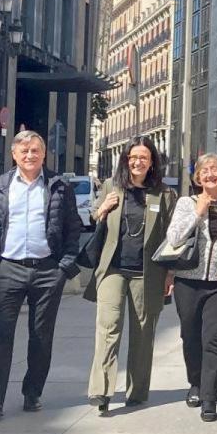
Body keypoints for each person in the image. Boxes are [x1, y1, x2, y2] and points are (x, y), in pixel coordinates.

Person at [0, 131, 82, 419]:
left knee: (41, 336)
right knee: (2, 335)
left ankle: (32, 392)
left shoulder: (59, 186)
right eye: (24, 151)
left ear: (44, 154)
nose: (30, 155)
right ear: (14, 155)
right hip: (7, 269)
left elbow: (73, 229)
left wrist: (64, 268)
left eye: (35, 150)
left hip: (47, 271)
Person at [87, 136, 177, 415]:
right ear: (126, 161)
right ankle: (100, 391)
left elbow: (173, 237)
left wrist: (170, 274)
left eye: (144, 158)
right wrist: (101, 210)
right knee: (108, 328)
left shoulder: (164, 194)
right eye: (133, 158)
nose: (138, 162)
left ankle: (137, 391)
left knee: (142, 333)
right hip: (112, 269)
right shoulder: (111, 188)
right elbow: (94, 217)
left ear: (152, 163)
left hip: (147, 273)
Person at [165, 153, 217, 422]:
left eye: (215, 170)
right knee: (190, 336)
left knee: (215, 338)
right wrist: (198, 213)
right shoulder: (187, 203)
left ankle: (209, 397)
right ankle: (195, 382)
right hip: (188, 280)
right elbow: (174, 237)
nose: (210, 174)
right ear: (198, 177)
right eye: (205, 171)